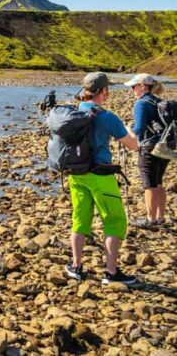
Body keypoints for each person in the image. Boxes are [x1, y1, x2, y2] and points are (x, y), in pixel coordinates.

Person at [64, 72, 138, 286]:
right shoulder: (108, 117)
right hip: (101, 175)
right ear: (103, 91)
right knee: (115, 221)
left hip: (76, 174)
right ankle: (111, 272)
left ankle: (76, 267)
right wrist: (129, 129)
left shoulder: (74, 111)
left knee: (80, 218)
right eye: (108, 89)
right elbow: (132, 145)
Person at [125, 73, 169, 228]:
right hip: (165, 147)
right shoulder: (158, 101)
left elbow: (139, 129)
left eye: (133, 86)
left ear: (143, 86)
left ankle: (150, 220)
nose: (132, 89)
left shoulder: (141, 103)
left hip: (149, 147)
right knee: (158, 182)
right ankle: (160, 218)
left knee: (149, 184)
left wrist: (127, 130)